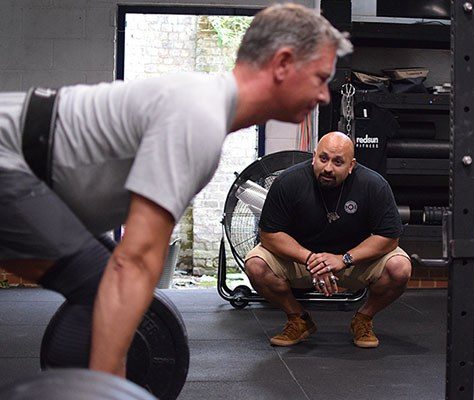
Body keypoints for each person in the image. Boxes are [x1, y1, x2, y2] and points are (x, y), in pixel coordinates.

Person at [0, 3, 352, 376]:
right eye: (319, 77)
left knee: (105, 285)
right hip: (9, 159)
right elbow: (134, 262)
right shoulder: (198, 117)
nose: (324, 96)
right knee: (101, 285)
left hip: (25, 170)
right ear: (282, 64)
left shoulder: (205, 114)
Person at [244, 131, 412, 348]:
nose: (328, 168)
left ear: (351, 165)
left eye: (338, 162)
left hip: (354, 262)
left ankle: (363, 318)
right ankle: (298, 319)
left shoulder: (373, 185)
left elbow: (389, 238)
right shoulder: (288, 182)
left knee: (400, 268)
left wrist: (344, 259)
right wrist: (310, 258)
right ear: (314, 156)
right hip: (302, 261)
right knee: (255, 265)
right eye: (323, 159)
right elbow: (269, 234)